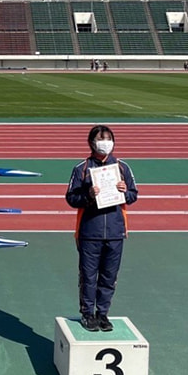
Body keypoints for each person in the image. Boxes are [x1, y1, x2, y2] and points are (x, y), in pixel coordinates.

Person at [65, 125, 138, 332]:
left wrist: (124, 192)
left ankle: (102, 313)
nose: (105, 142)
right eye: (100, 138)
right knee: (88, 275)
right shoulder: (82, 168)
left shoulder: (122, 168)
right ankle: (87, 313)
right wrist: (88, 195)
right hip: (90, 231)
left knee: (109, 275)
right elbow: (71, 198)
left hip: (115, 231)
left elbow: (133, 195)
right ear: (91, 142)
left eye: (108, 138)